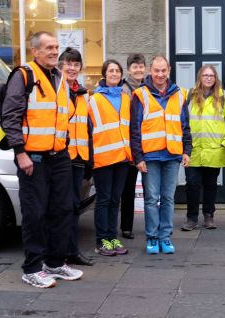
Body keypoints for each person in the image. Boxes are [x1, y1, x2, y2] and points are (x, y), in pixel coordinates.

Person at [1, 31, 83, 288]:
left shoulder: (59, 78)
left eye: (55, 47)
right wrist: (20, 153)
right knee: (35, 213)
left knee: (62, 210)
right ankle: (32, 268)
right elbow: (11, 117)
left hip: (58, 157)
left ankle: (55, 263)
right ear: (34, 51)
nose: (53, 51)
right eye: (48, 47)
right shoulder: (24, 75)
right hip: (32, 159)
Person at [131, 55, 192, 255]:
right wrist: (138, 157)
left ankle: (165, 236)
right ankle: (152, 237)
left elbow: (185, 126)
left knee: (168, 198)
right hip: (150, 156)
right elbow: (135, 129)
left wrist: (186, 150)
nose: (159, 74)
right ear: (150, 71)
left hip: (172, 155)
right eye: (156, 70)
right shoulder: (140, 95)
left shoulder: (180, 94)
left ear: (169, 71)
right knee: (151, 198)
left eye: (163, 70)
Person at [180, 65, 225, 231]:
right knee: (191, 184)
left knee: (210, 185)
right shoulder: (189, 96)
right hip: (193, 150)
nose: (208, 78)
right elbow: (181, 120)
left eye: (211, 76)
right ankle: (191, 218)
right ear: (200, 77)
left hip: (215, 149)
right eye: (205, 75)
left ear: (215, 78)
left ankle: (208, 215)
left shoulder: (224, 97)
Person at [89, 59, 132, 256]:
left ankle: (112, 237)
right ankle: (101, 241)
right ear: (104, 75)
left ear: (121, 75)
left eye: (117, 71)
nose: (114, 74)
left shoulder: (125, 98)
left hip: (122, 157)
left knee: (115, 200)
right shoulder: (95, 99)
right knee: (104, 200)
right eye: (110, 71)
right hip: (103, 157)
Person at [58, 47, 93, 266]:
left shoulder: (82, 93)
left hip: (79, 158)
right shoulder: (55, 89)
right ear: (61, 66)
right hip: (61, 158)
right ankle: (58, 253)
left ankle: (72, 250)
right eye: (68, 63)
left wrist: (90, 160)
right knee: (60, 207)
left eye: (76, 64)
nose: (72, 68)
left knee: (74, 207)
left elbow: (86, 127)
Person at [120, 53, 146, 239]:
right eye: (135, 66)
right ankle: (126, 227)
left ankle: (153, 227)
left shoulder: (149, 87)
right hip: (129, 145)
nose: (138, 69)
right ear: (129, 69)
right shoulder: (124, 89)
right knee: (127, 189)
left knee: (151, 190)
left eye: (141, 66)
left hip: (147, 145)